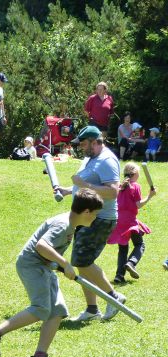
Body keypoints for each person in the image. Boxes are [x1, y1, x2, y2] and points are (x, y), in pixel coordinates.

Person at [0, 189, 104, 357]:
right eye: (95, 214)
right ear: (86, 212)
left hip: (44, 267)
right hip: (32, 266)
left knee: (57, 310)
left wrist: (59, 266)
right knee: (41, 308)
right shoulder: (63, 225)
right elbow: (41, 245)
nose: (95, 218)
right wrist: (65, 263)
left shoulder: (70, 224)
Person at [56, 126, 124, 321]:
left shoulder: (107, 160)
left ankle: (114, 297)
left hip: (100, 219)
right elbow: (85, 184)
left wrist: (83, 185)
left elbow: (113, 192)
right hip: (86, 217)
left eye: (84, 144)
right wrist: (68, 190)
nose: (81, 148)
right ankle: (92, 310)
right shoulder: (91, 158)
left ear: (95, 142)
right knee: (82, 262)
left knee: (82, 262)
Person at [107, 163, 156, 284]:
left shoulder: (120, 186)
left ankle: (119, 276)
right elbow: (138, 205)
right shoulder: (135, 186)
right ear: (135, 174)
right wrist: (150, 196)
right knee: (140, 244)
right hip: (129, 221)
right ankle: (131, 263)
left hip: (118, 221)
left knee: (123, 249)